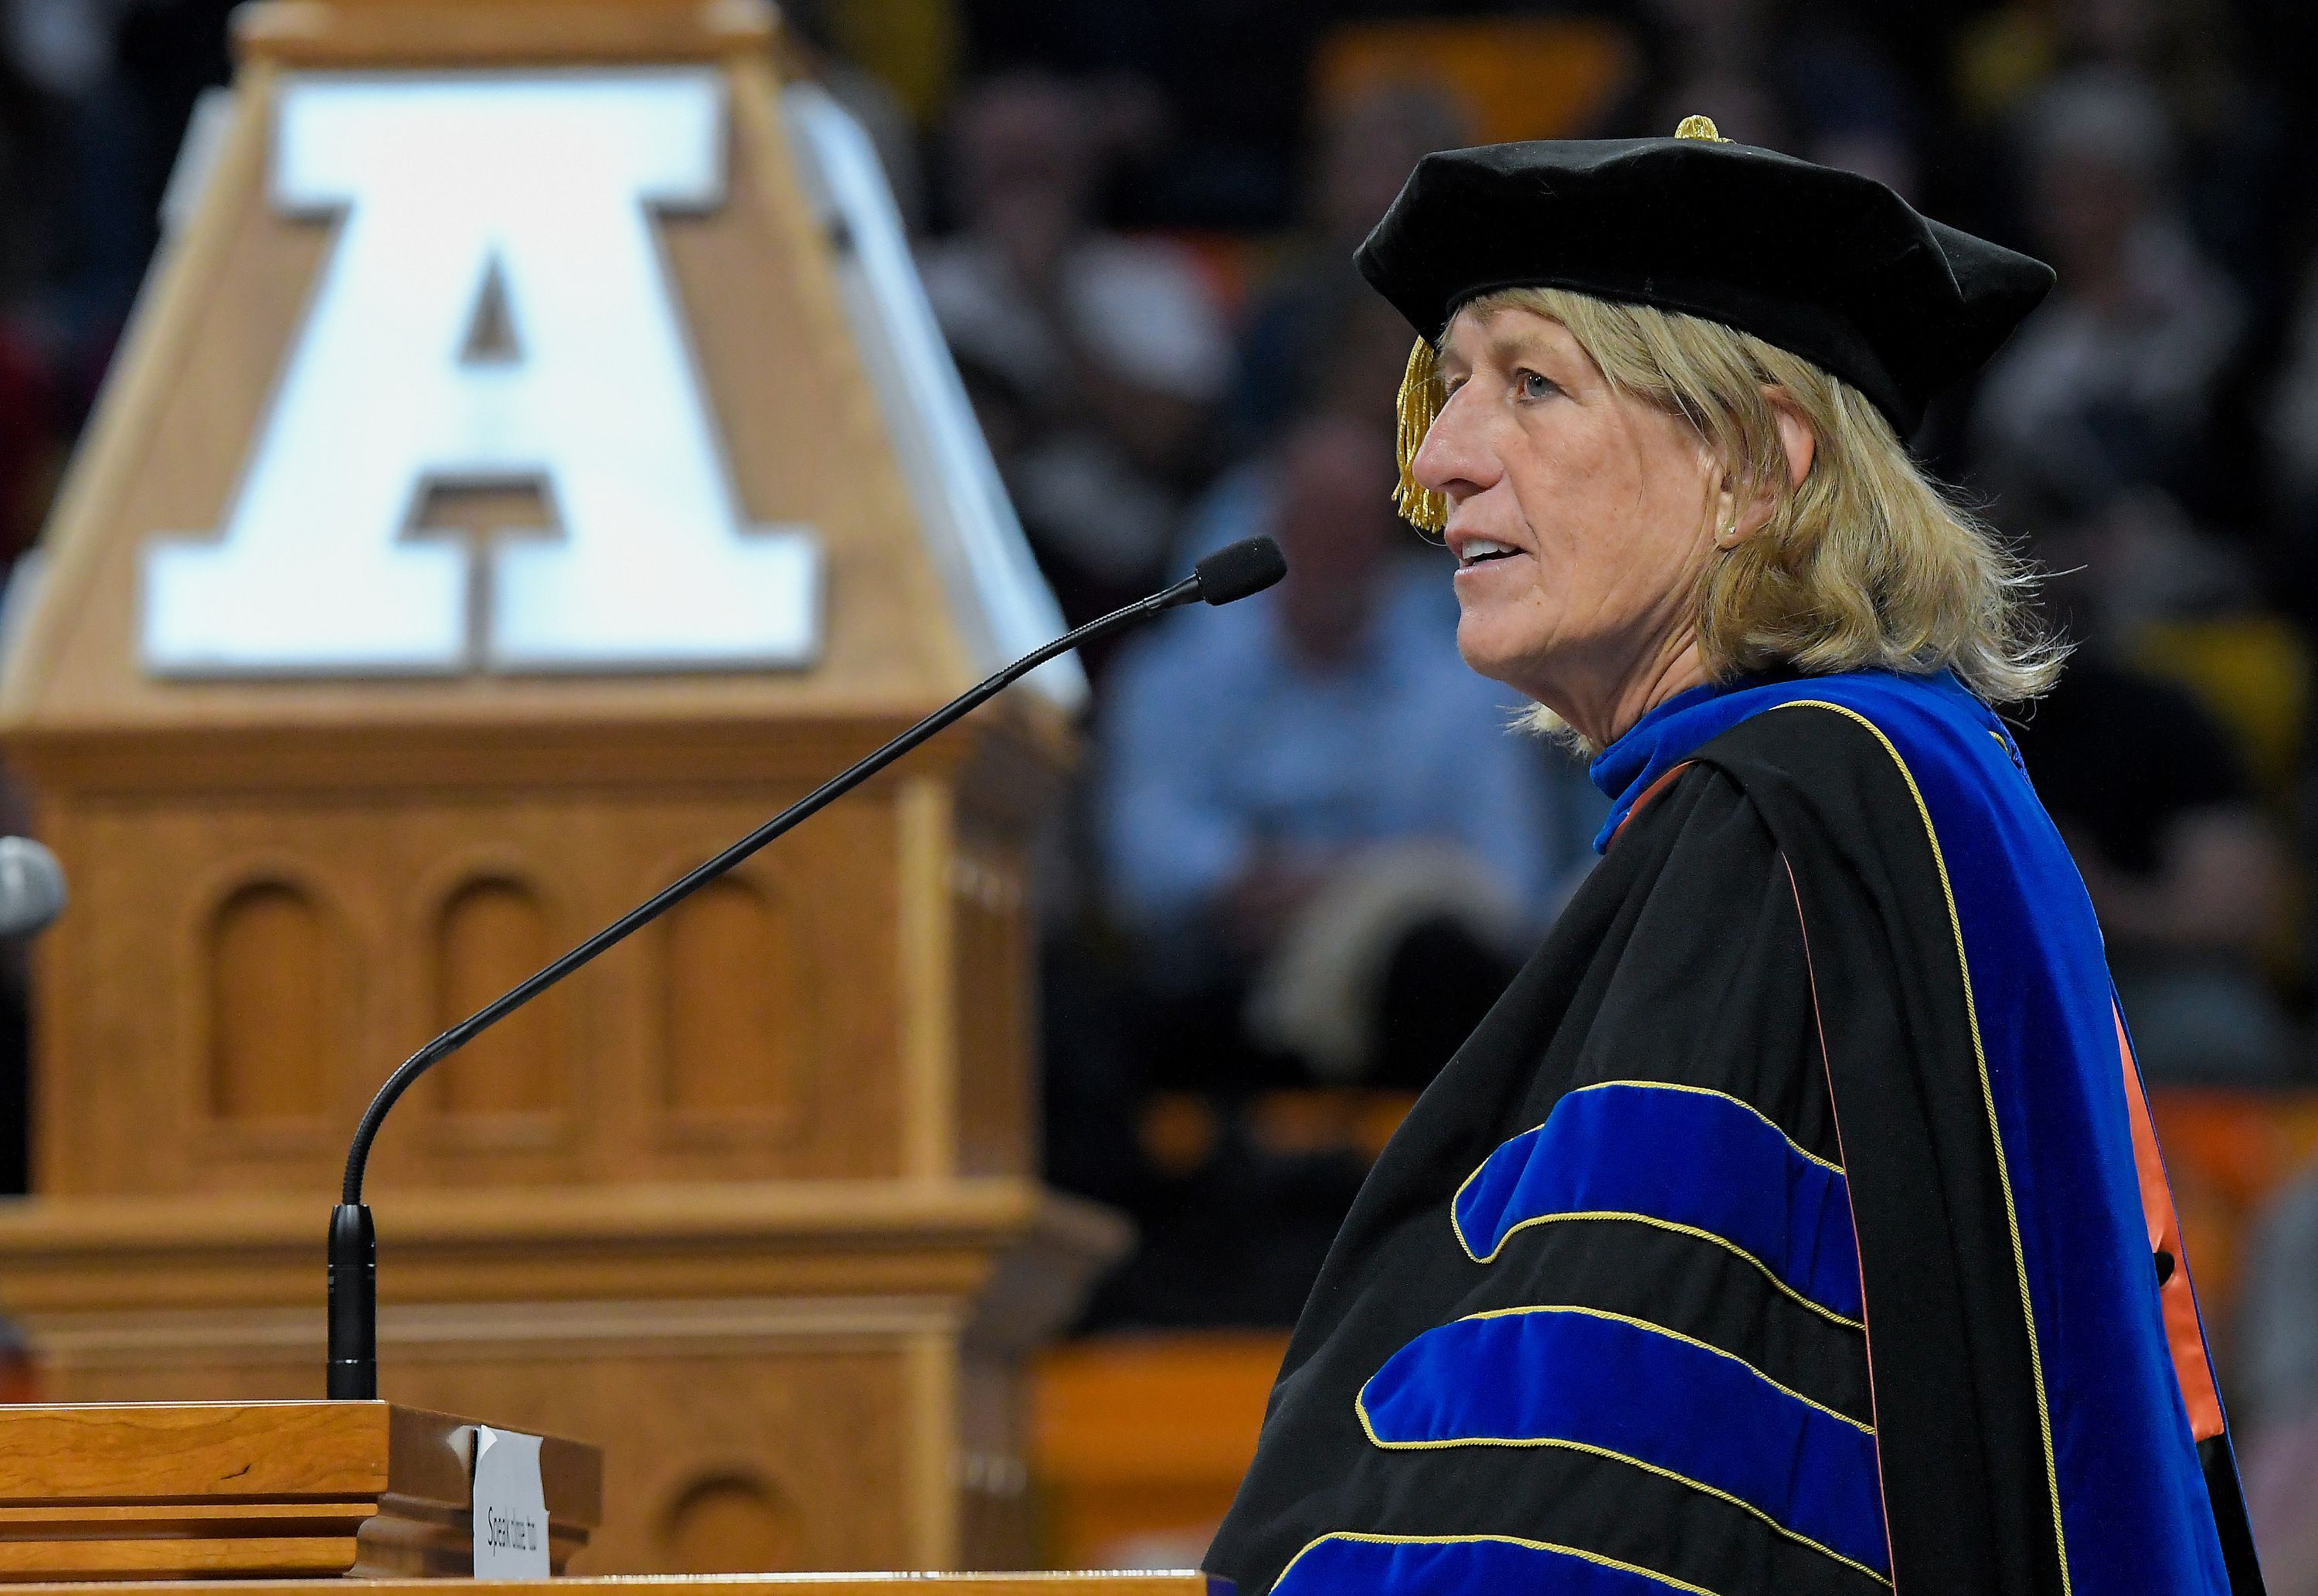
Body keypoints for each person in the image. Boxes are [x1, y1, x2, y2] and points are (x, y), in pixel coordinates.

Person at [1203, 121, 2264, 1596]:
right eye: (1450, 394)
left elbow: (1602, 1484)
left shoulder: (1784, 814)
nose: (1440, 461)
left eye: (1530, 385)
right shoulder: (1894, 776)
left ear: (1759, 465)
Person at [1100, 412, 1571, 1094]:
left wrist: (1354, 891)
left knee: (1447, 973)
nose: (1332, 552)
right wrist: (1241, 875)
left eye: (1352, 531)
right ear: (1273, 531)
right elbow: (1139, 848)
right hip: (1221, 976)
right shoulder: (1178, 675)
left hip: (1399, 991)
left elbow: (1512, 876)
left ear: (1384, 545)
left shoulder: (1459, 690)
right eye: (1314, 524)